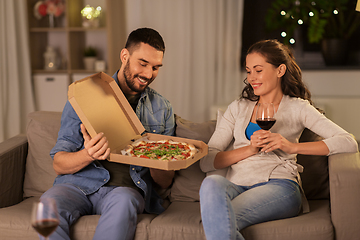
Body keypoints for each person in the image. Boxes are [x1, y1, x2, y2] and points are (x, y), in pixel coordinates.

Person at [199, 39, 358, 240]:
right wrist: (250, 149)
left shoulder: (298, 108)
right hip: (237, 185)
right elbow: (206, 160)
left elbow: (348, 141)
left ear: (280, 70)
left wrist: (291, 146)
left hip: (279, 185)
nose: (251, 78)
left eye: (258, 70)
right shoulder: (238, 108)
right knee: (211, 184)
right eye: (248, 71)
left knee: (217, 221)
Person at [41, 28, 176, 240]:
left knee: (125, 202)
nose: (149, 75)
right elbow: (59, 163)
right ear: (125, 56)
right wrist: (89, 154)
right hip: (78, 185)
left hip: (124, 191)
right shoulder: (84, 96)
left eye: (156, 67)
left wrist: (152, 153)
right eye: (142, 63)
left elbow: (165, 182)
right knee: (47, 206)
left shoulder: (162, 109)